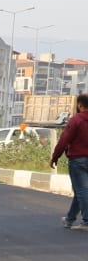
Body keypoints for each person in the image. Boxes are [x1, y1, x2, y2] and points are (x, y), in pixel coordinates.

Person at [50, 93, 88, 228]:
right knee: (81, 190)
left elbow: (64, 140)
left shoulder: (76, 120)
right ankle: (70, 219)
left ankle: (86, 221)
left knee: (82, 190)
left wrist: (55, 156)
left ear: (79, 105)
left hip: (78, 160)